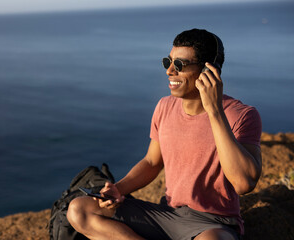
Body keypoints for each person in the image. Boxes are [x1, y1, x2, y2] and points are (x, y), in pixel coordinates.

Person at [67, 28, 262, 240]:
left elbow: (244, 184)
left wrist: (214, 111)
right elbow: (152, 162)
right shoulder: (164, 106)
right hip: (166, 214)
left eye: (180, 65)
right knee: (79, 210)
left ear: (209, 71)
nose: (169, 71)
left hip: (212, 223)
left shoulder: (242, 115)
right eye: (168, 62)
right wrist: (118, 189)